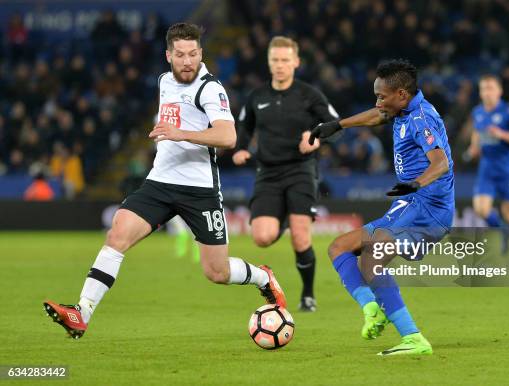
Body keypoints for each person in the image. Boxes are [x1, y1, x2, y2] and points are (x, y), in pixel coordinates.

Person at [43, 23, 286, 339]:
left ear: (201, 53)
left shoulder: (209, 88)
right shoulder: (163, 81)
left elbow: (228, 136)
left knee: (217, 271)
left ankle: (263, 277)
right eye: (181, 55)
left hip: (200, 190)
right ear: (168, 55)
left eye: (194, 54)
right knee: (117, 234)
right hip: (160, 182)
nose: (188, 61)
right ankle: (81, 313)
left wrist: (179, 133)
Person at [309, 59, 454, 356]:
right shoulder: (403, 108)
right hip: (410, 204)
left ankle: (413, 338)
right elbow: (378, 115)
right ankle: (373, 309)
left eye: (381, 96)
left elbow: (441, 163)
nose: (378, 101)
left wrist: (416, 184)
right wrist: (338, 125)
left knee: (371, 257)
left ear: (401, 94)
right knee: (339, 247)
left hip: (426, 207)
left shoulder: (421, 118)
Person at [232, 36, 339, 312]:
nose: (279, 66)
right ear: (269, 63)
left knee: (301, 237)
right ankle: (288, 218)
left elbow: (335, 124)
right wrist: (241, 149)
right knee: (262, 238)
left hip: (301, 169)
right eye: (275, 60)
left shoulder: (309, 95)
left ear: (296, 62)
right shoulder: (257, 96)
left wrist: (315, 136)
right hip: (267, 172)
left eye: (284, 60)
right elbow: (245, 127)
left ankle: (308, 295)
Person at [466, 74, 509, 268]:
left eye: (490, 88)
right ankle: (503, 231)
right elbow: (477, 132)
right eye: (483, 88)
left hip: (508, 170)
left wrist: (501, 134)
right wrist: (474, 147)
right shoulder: (477, 112)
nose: (487, 92)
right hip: (487, 169)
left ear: (499, 91)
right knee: (481, 209)